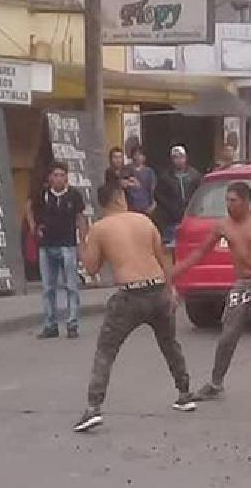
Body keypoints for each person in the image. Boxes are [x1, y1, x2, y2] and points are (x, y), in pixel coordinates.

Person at [73, 182, 196, 432]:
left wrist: (82, 243)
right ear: (120, 199)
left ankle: (93, 408)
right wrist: (171, 290)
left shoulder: (100, 228)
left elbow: (91, 268)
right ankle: (185, 393)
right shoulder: (143, 220)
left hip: (130, 294)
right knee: (169, 344)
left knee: (106, 351)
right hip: (158, 288)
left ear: (103, 203)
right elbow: (164, 257)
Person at [171, 181, 251, 399]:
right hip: (243, 283)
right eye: (226, 200)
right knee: (228, 334)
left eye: (233, 201)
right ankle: (215, 383)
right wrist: (173, 274)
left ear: (246, 202)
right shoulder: (223, 226)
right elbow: (200, 253)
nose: (228, 205)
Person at [27, 162, 89, 339]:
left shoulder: (74, 195)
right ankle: (50, 324)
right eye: (55, 175)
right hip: (46, 246)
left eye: (62, 175)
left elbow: (81, 218)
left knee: (71, 286)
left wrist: (82, 243)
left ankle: (72, 323)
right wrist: (34, 228)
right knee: (48, 288)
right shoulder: (43, 195)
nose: (59, 178)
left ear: (66, 177)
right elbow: (29, 207)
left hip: (67, 245)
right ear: (50, 177)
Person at [154, 145, 202, 250]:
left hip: (191, 217)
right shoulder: (165, 177)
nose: (179, 160)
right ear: (172, 160)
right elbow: (159, 195)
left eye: (181, 157)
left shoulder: (195, 176)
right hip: (171, 220)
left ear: (186, 158)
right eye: (176, 157)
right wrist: (171, 208)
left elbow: (200, 195)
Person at [126, 145, 157, 219]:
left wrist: (153, 205)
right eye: (135, 154)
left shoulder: (149, 172)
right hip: (130, 208)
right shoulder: (127, 170)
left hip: (145, 207)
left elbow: (153, 190)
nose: (137, 157)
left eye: (140, 154)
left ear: (144, 157)